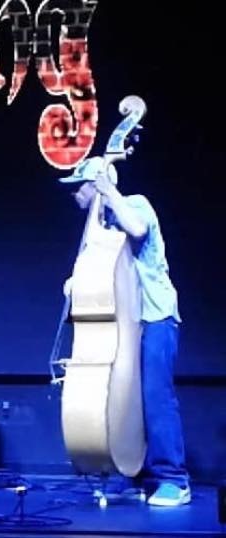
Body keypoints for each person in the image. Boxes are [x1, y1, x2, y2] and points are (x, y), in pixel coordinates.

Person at [59, 156, 190, 507]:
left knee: (155, 397)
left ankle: (173, 479)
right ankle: (132, 474)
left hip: (155, 316)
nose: (75, 194)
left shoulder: (133, 204)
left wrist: (109, 190)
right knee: (125, 403)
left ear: (97, 185)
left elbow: (138, 229)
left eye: (79, 187)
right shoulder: (100, 227)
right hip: (123, 325)